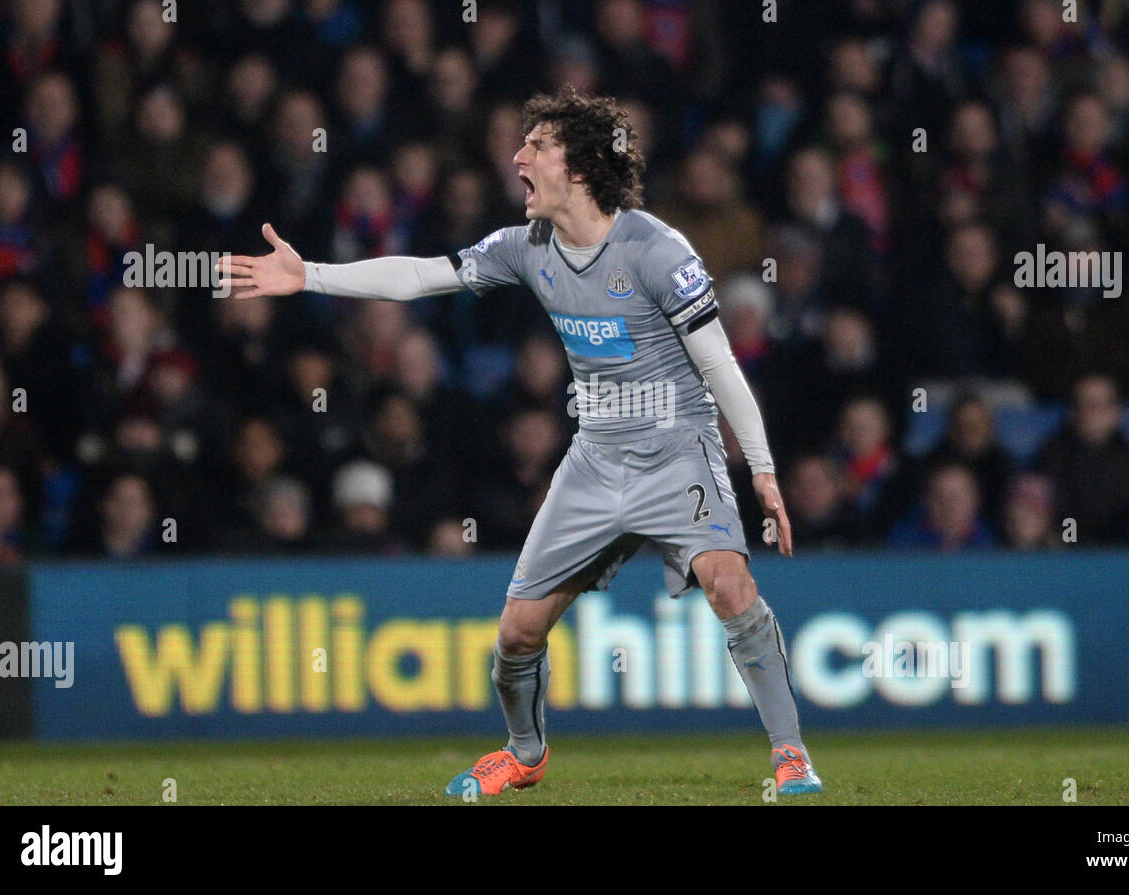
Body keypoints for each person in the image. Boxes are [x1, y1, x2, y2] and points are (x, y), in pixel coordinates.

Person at [218, 86, 819, 797]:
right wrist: (309, 274)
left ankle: (791, 755)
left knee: (729, 581)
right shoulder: (526, 247)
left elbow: (719, 363)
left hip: (678, 453)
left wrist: (765, 472)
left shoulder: (658, 249)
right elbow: (422, 275)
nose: (517, 156)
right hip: (594, 461)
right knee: (516, 635)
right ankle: (525, 752)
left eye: (535, 146)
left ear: (583, 167)